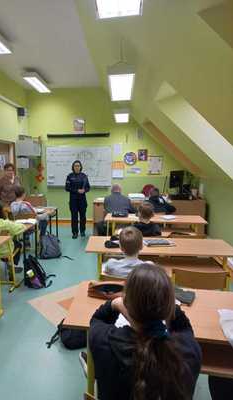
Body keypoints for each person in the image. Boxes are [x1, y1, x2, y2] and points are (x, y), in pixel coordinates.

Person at [89, 263, 202, 400]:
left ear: (127, 303)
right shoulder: (189, 349)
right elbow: (184, 328)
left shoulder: (103, 340)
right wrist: (169, 306)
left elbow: (97, 320)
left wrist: (114, 304)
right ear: (168, 306)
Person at [65, 160, 90, 239]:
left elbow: (88, 187)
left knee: (83, 216)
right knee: (74, 217)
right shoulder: (69, 176)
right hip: (73, 200)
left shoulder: (84, 176)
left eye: (78, 166)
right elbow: (67, 188)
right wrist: (77, 191)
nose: (77, 167)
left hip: (82, 200)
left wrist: (84, 190)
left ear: (80, 167)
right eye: (75, 166)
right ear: (73, 167)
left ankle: (82, 231)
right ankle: (75, 232)